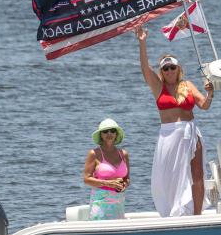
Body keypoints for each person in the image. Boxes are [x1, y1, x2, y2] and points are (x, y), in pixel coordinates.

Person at [136, 27, 213, 217]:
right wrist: (142, 42)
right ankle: (172, 211)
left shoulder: (187, 85)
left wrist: (210, 93)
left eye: (172, 67)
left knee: (197, 174)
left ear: (178, 69)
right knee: (167, 176)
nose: (169, 70)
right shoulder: (158, 86)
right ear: (162, 71)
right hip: (168, 134)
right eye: (165, 68)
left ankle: (197, 214)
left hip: (190, 132)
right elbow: (145, 69)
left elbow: (203, 105)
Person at [83, 118, 129, 220]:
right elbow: (86, 179)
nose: (109, 133)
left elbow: (127, 178)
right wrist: (109, 183)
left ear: (116, 134)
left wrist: (124, 184)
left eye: (112, 130)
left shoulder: (123, 154)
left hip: (118, 203)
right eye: (105, 131)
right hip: (100, 205)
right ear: (101, 135)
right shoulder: (94, 154)